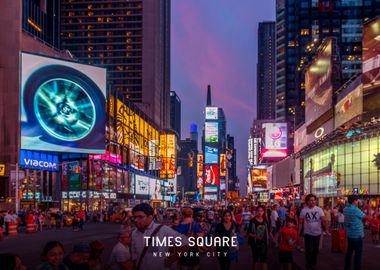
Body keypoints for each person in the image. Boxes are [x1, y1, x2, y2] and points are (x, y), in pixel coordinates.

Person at [130, 203, 188, 270]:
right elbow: (135, 255)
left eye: (140, 217)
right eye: (134, 217)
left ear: (150, 217)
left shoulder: (163, 230)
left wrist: (171, 260)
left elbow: (185, 243)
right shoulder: (134, 233)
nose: (135, 220)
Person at [299, 194, 327, 270]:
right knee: (309, 250)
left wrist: (326, 229)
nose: (313, 201)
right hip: (307, 233)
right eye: (311, 200)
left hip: (317, 233)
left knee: (316, 250)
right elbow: (300, 222)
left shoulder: (319, 209)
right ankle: (309, 265)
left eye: (314, 200)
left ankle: (313, 262)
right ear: (307, 201)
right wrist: (299, 232)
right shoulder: (304, 210)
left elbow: (323, 220)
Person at [344, 195, 368, 270]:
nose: (358, 202)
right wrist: (369, 208)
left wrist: (363, 208)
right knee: (358, 254)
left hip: (350, 233)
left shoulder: (345, 209)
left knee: (349, 252)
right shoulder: (355, 209)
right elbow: (366, 217)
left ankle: (347, 267)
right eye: (357, 200)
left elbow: (359, 214)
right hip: (357, 234)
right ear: (354, 201)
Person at [246, 205, 269, 270]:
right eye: (258, 211)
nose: (260, 212)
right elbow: (248, 233)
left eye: (261, 211)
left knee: (264, 260)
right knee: (255, 260)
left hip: (264, 243)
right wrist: (255, 236)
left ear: (263, 212)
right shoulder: (252, 221)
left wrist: (271, 239)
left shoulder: (265, 221)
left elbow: (268, 232)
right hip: (255, 243)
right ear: (256, 212)